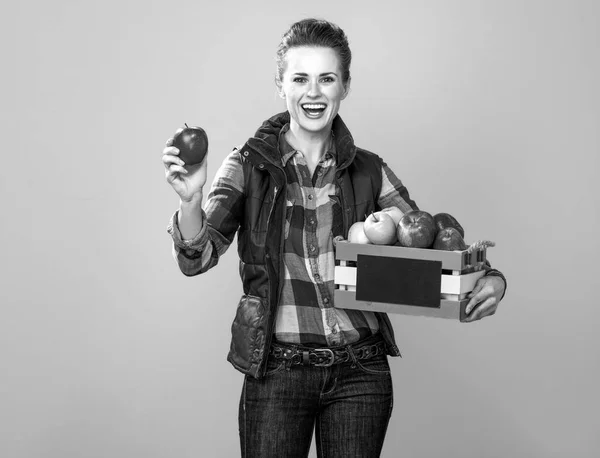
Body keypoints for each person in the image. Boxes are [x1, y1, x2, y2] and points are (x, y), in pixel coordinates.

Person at [162, 18, 507, 458]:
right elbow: (197, 257)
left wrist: (491, 278)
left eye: (327, 78)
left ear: (344, 86)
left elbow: (431, 244)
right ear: (280, 85)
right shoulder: (248, 165)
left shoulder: (369, 170)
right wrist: (190, 202)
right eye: (300, 78)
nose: (313, 92)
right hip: (276, 372)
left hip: (360, 372)